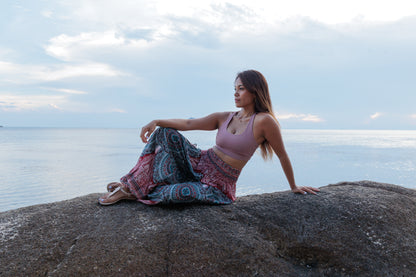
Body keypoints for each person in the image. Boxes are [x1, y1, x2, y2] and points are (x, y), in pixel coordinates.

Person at [98, 70, 319, 205]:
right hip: (199, 163)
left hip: (219, 185)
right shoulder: (224, 117)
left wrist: (294, 186)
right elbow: (188, 124)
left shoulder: (264, 121)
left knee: (176, 194)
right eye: (234, 88)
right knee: (165, 132)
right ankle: (131, 185)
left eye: (241, 88)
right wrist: (156, 121)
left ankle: (139, 188)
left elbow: (282, 155)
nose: (235, 93)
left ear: (255, 91)